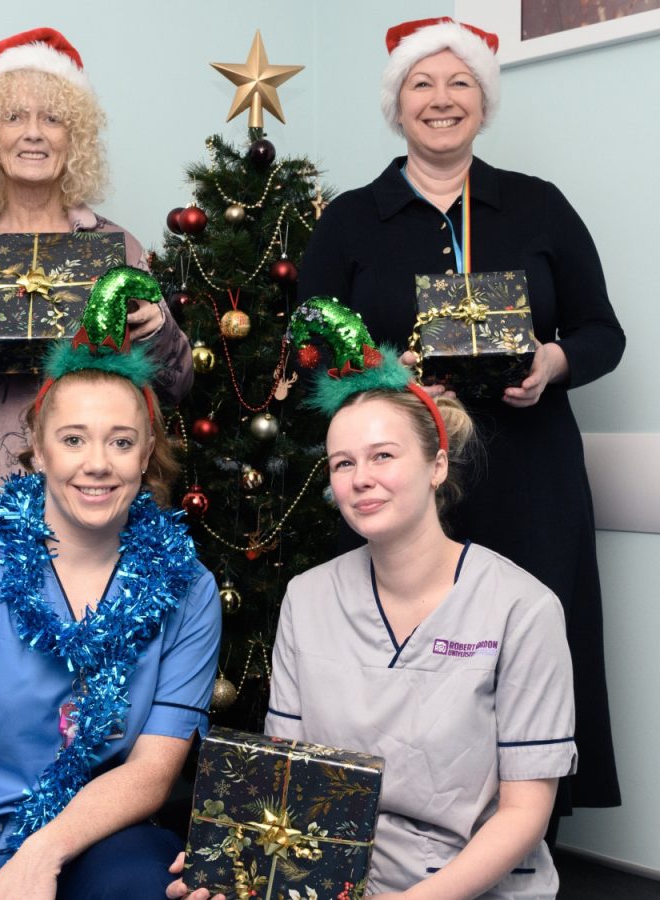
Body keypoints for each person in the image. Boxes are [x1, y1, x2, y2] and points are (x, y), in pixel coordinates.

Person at [296, 17, 624, 821]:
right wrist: (380, 371)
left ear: (483, 101)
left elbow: (602, 332)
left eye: (459, 83)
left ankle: (528, 830)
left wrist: (553, 363)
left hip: (530, 471)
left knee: (530, 641)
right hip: (397, 470)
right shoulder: (349, 220)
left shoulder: (539, 207)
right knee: (397, 647)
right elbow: (307, 333)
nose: (441, 100)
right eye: (422, 84)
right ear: (396, 105)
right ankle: (399, 821)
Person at [170, 300, 576, 899]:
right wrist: (234, 868)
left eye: (384, 455)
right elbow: (287, 782)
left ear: (437, 465)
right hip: (334, 879)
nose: (361, 478)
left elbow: (524, 816)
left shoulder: (523, 609)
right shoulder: (307, 600)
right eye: (343, 463)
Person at [0, 269, 220, 899]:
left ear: (147, 452)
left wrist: (40, 855)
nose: (98, 463)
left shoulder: (188, 588)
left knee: (142, 880)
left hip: (89, 844)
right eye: (73, 440)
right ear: (38, 450)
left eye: (121, 442)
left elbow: (152, 771)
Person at [0, 27, 193, 547]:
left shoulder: (117, 250)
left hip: (97, 507)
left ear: (75, 138)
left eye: (52, 118)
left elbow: (175, 387)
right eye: (13, 117)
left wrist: (156, 330)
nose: (33, 133)